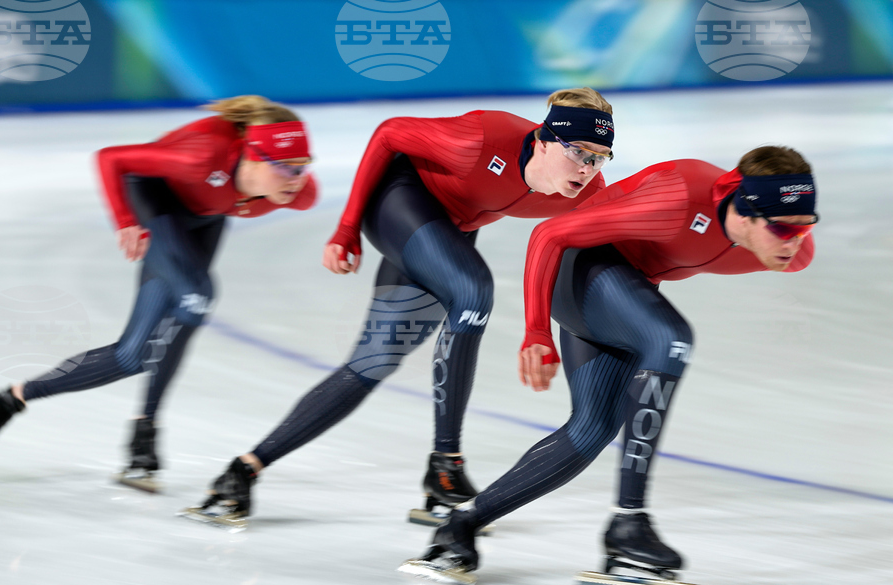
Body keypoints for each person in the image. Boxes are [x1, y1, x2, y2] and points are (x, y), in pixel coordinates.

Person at [183, 88, 616, 527]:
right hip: (400, 200)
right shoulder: (483, 139)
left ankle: (241, 471)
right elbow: (389, 134)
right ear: (543, 139)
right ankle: (446, 464)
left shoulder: (588, 190)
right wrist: (347, 228)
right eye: (578, 151)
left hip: (449, 232)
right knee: (474, 290)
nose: (586, 167)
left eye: (599, 157)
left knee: (372, 362)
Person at [399, 145, 817, 585]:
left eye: (805, 229)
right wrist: (536, 332)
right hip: (580, 271)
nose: (795, 243)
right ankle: (629, 524)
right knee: (670, 338)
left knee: (591, 429)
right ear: (747, 213)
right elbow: (549, 235)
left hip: (622, 289)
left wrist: (788, 230)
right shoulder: (677, 201)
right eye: (782, 229)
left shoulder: (790, 247)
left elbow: (788, 231)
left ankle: (459, 527)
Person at [0, 95, 318, 492]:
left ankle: (10, 400)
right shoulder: (203, 156)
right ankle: (145, 433)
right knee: (198, 295)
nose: (298, 180)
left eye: (303, 168)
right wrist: (125, 220)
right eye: (287, 169)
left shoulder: (297, 191)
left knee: (132, 355)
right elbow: (111, 158)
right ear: (254, 158)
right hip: (156, 201)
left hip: (205, 217)